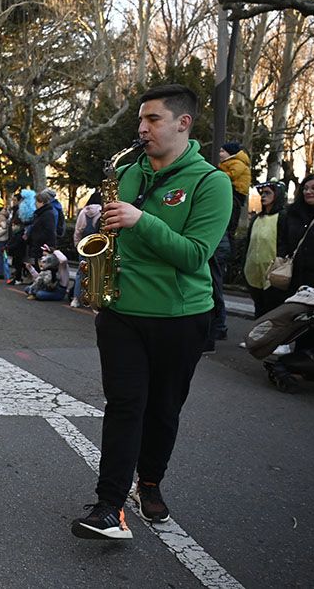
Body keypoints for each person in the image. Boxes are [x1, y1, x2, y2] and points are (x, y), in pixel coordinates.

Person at [71, 84, 231, 540]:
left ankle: (150, 483)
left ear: (183, 123)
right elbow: (114, 236)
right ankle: (108, 506)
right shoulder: (127, 173)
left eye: (153, 120)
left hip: (181, 318)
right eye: (140, 120)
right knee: (125, 406)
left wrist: (143, 220)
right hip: (121, 311)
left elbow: (195, 255)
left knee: (163, 410)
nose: (142, 129)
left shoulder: (211, 183)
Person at [243, 180, 288, 320]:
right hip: (253, 272)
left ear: (278, 195)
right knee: (259, 307)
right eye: (262, 193)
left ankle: (274, 341)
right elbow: (248, 243)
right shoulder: (257, 218)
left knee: (272, 309)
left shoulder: (283, 217)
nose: (263, 196)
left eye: (268, 192)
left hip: (273, 273)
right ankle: (257, 339)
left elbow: (285, 242)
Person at [71, 191, 103, 306]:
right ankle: (93, 300)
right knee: (96, 273)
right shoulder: (101, 211)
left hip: (83, 245)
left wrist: (76, 244)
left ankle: (76, 298)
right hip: (97, 246)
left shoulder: (83, 212)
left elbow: (78, 230)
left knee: (81, 272)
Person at [217, 141, 251, 237]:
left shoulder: (237, 162)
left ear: (230, 153)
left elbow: (233, 174)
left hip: (236, 191)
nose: (220, 154)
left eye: (223, 151)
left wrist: (219, 175)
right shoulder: (229, 163)